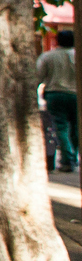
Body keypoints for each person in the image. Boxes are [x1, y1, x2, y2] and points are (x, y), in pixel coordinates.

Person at [39, 29, 78, 174]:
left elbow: (38, 75)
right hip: (76, 95)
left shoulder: (48, 56)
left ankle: (67, 159)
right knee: (76, 128)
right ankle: (72, 156)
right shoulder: (77, 54)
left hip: (55, 94)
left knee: (60, 127)